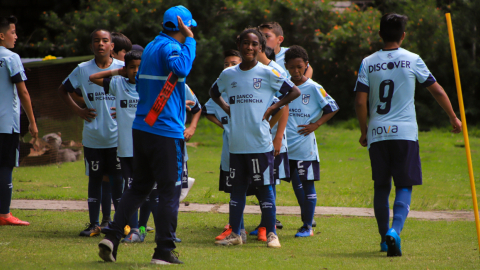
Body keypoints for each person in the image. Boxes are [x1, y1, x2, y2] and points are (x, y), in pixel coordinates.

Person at [354, 13, 462, 256]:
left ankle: (384, 239)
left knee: (381, 186)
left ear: (379, 34)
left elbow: (360, 102)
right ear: (403, 35)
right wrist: (453, 117)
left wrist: (364, 131)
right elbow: (437, 91)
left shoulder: (367, 62)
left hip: (378, 133)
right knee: (404, 184)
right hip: (405, 133)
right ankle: (395, 231)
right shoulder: (413, 59)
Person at [98, 5, 196, 265]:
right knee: (169, 191)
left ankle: (112, 236)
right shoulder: (172, 47)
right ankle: (163, 251)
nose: (192, 30)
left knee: (139, 186)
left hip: (142, 129)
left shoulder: (152, 45)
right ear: (182, 26)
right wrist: (192, 41)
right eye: (189, 26)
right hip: (165, 132)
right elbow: (182, 68)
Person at [210, 27, 300, 248]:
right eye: (245, 43)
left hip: (260, 143)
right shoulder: (228, 74)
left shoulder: (268, 72)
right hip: (236, 144)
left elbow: (294, 91)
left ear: (260, 47)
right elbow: (213, 92)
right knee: (236, 191)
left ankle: (271, 234)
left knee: (265, 189)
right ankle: (235, 235)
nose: (249, 48)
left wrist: (273, 107)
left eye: (254, 44)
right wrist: (226, 107)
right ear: (239, 44)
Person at [58, 28, 124, 237]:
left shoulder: (123, 68)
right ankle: (94, 223)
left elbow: (139, 92)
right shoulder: (82, 69)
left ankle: (118, 224)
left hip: (118, 138)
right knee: (95, 180)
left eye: (105, 41)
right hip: (93, 137)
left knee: (117, 181)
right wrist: (79, 110)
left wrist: (127, 109)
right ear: (91, 45)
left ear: (112, 46)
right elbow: (63, 90)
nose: (101, 44)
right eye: (96, 41)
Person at [284, 45, 339, 238]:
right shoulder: (283, 87)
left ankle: (308, 226)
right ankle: (267, 224)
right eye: (291, 67)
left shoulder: (314, 87)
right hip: (282, 146)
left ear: (306, 65)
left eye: (299, 66)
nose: (296, 71)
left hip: (304, 147)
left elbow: (333, 108)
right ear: (286, 67)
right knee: (273, 184)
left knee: (307, 184)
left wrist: (316, 124)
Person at [89, 50, 142, 242]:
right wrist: (116, 72)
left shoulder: (151, 87)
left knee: (151, 192)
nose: (136, 71)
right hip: (126, 148)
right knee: (131, 188)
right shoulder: (118, 84)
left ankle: (141, 228)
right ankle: (134, 229)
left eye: (139, 67)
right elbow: (93, 77)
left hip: (146, 148)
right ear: (125, 69)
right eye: (131, 67)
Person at [205, 49, 247, 242]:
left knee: (261, 189)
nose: (229, 67)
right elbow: (206, 110)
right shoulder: (220, 90)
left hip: (251, 148)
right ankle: (238, 228)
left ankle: (267, 227)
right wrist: (222, 124)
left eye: (234, 63)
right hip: (229, 152)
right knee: (234, 191)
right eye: (226, 64)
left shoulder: (247, 87)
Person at [0, 15, 38, 226]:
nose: (16, 36)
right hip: (5, 124)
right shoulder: (11, 58)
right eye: (13, 32)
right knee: (5, 167)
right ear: (2, 35)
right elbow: (22, 91)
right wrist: (32, 122)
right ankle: (5, 214)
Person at [100, 32, 133, 229]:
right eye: (126, 52)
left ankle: (129, 222)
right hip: (107, 137)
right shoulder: (118, 77)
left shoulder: (134, 77)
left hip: (124, 138)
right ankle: (107, 220)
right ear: (117, 51)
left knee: (125, 181)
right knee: (108, 177)